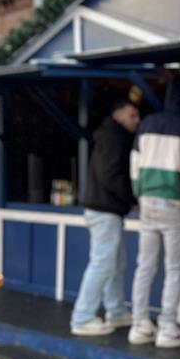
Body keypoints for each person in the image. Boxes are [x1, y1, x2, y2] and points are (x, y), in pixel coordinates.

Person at [128, 77, 180, 348]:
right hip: (175, 204)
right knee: (174, 269)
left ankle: (139, 325)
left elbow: (134, 166)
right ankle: (167, 327)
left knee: (144, 266)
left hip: (146, 201)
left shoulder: (146, 124)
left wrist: (139, 192)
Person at [70, 100, 140, 336]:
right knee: (102, 263)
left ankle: (117, 312)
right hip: (105, 210)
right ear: (117, 114)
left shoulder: (110, 135)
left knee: (115, 263)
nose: (136, 120)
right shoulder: (114, 137)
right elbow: (110, 174)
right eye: (132, 115)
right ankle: (82, 317)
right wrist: (132, 197)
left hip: (105, 209)